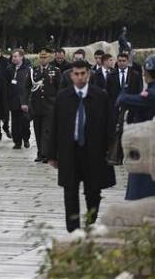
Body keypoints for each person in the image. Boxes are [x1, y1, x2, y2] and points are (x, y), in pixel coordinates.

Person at [48, 60, 115, 232]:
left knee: (93, 191)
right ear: (71, 76)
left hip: (93, 152)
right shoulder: (63, 97)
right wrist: (51, 154)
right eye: (76, 74)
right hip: (69, 151)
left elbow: (109, 125)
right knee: (70, 192)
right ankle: (73, 230)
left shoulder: (100, 96)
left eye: (83, 73)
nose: (79, 77)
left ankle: (90, 225)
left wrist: (111, 151)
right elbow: (54, 126)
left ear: (88, 74)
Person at [116, 54, 155, 200]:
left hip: (146, 148)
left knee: (142, 191)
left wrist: (125, 89)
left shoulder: (153, 94)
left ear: (146, 72)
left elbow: (123, 100)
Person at [27, 48, 61, 162]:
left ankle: (46, 154)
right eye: (41, 57)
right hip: (37, 106)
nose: (43, 59)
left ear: (49, 58)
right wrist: (27, 103)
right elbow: (27, 87)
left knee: (47, 131)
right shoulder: (34, 71)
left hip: (50, 106)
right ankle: (40, 153)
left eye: (45, 57)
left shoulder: (55, 71)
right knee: (37, 130)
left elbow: (59, 88)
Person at [6, 48, 31, 149]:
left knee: (25, 121)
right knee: (15, 123)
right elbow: (6, 84)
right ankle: (17, 142)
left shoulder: (28, 69)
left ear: (21, 57)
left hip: (24, 100)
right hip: (13, 99)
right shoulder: (9, 69)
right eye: (13, 56)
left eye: (16, 56)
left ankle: (26, 139)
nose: (14, 58)